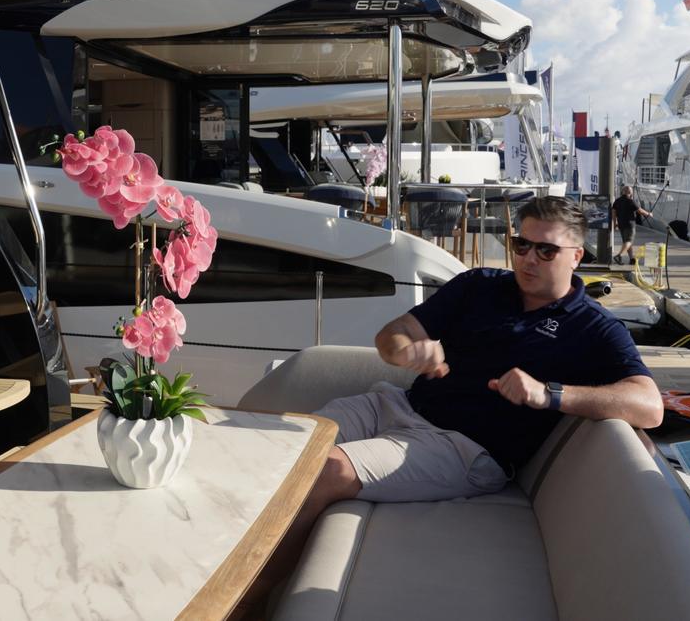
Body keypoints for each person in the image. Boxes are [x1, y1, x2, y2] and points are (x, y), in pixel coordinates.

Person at [256, 196, 662, 596]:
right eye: (521, 244)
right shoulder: (479, 285)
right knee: (284, 444)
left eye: (546, 249)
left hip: (464, 450)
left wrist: (548, 394)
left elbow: (650, 405)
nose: (528, 258)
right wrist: (407, 350)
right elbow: (391, 336)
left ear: (576, 256)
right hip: (397, 404)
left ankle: (245, 598)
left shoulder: (595, 329)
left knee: (328, 469)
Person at [610, 185, 652, 264]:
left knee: (627, 242)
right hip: (630, 224)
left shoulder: (617, 201)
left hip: (621, 225)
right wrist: (648, 214)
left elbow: (613, 213)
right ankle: (619, 255)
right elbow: (640, 211)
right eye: (631, 192)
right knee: (629, 241)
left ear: (622, 192)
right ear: (630, 192)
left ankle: (632, 259)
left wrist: (615, 223)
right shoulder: (630, 201)